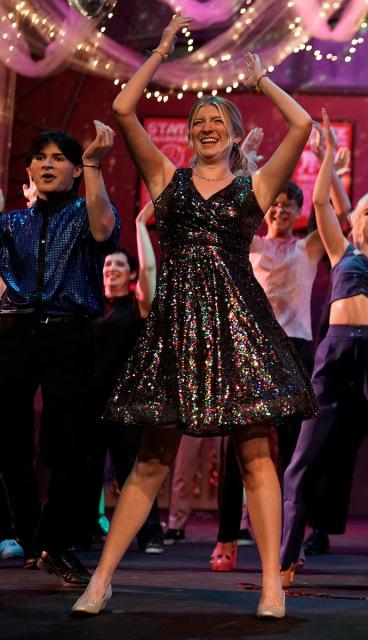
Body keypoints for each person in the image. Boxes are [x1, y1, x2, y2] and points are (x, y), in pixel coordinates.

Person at [71, 15, 318, 618]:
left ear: (235, 136)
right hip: (178, 326)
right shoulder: (165, 177)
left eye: (217, 122)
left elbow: (302, 124)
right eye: (197, 122)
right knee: (153, 455)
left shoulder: (256, 186)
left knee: (256, 452)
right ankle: (102, 579)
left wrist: (263, 81)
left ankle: (269, 584)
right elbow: (126, 108)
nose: (206, 127)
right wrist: (158, 51)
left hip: (239, 327)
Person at [280, 111, 368, 585]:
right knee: (304, 458)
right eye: (367, 211)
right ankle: (287, 556)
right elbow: (319, 204)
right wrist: (329, 158)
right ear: (354, 226)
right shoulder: (341, 253)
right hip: (334, 356)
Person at [0, 124, 120, 586]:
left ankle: (53, 542)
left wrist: (93, 163)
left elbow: (105, 228)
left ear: (73, 170)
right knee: (9, 443)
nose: (48, 164)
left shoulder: (84, 214)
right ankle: (34, 541)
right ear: (29, 169)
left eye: (59, 158)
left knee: (67, 449)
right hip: (13, 335)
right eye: (40, 157)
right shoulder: (11, 223)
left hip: (69, 337)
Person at [86, 203, 163, 555]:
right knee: (85, 467)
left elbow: (149, 267)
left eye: (119, 265)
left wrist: (138, 225)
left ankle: (150, 534)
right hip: (91, 399)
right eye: (107, 265)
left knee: (130, 467)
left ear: (130, 275)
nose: (111, 269)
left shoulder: (136, 308)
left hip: (126, 402)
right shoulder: (90, 307)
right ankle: (84, 530)